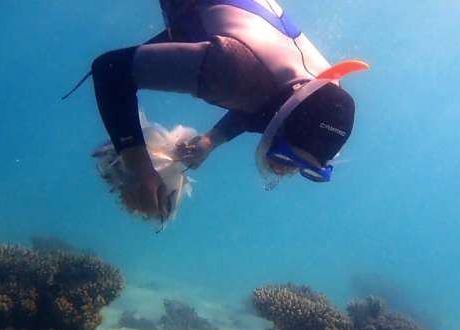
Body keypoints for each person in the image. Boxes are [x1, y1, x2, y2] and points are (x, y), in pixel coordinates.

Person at [88, 0, 363, 219]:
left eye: (308, 170)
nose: (285, 171)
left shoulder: (322, 93)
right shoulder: (232, 71)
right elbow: (110, 72)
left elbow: (265, 106)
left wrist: (211, 140)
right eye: (288, 158)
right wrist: (138, 167)